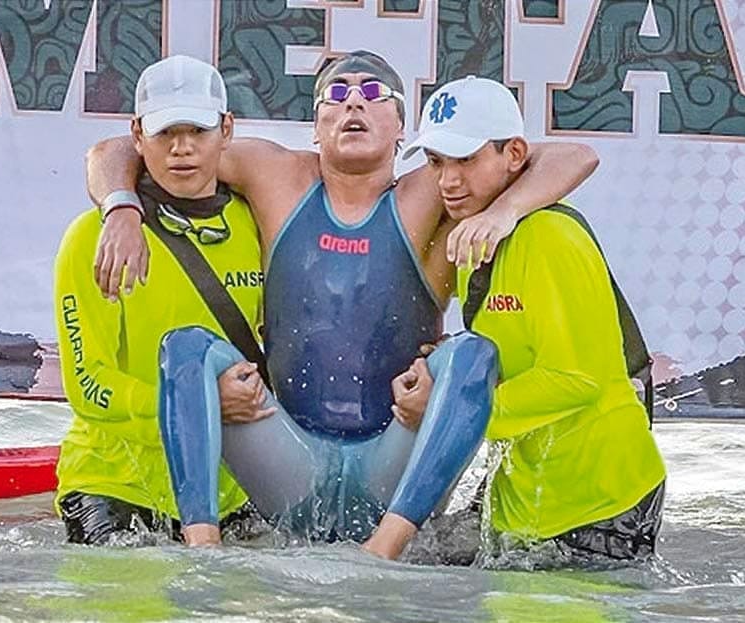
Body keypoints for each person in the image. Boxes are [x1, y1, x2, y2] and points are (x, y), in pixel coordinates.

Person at [86, 51, 599, 559]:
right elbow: (118, 150)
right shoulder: (274, 175)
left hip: (392, 462)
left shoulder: (431, 193)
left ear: (403, 128)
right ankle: (204, 550)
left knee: (472, 354)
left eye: (373, 93)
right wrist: (121, 208)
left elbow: (573, 156)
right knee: (185, 348)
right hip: (290, 464)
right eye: (337, 94)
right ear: (315, 125)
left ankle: (386, 549)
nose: (354, 102)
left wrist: (504, 212)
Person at [402, 76, 666, 560]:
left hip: (598, 503)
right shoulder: (474, 237)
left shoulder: (549, 238)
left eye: (466, 158)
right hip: (528, 501)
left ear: (515, 154)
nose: (448, 181)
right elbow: (509, 353)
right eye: (436, 162)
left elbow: (575, 377)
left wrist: (451, 411)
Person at [53, 55, 265, 544]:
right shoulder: (92, 238)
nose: (182, 149)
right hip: (114, 484)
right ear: (137, 134)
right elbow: (89, 390)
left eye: (198, 130)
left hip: (227, 493)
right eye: (166, 133)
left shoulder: (258, 225)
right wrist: (203, 405)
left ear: (227, 129)